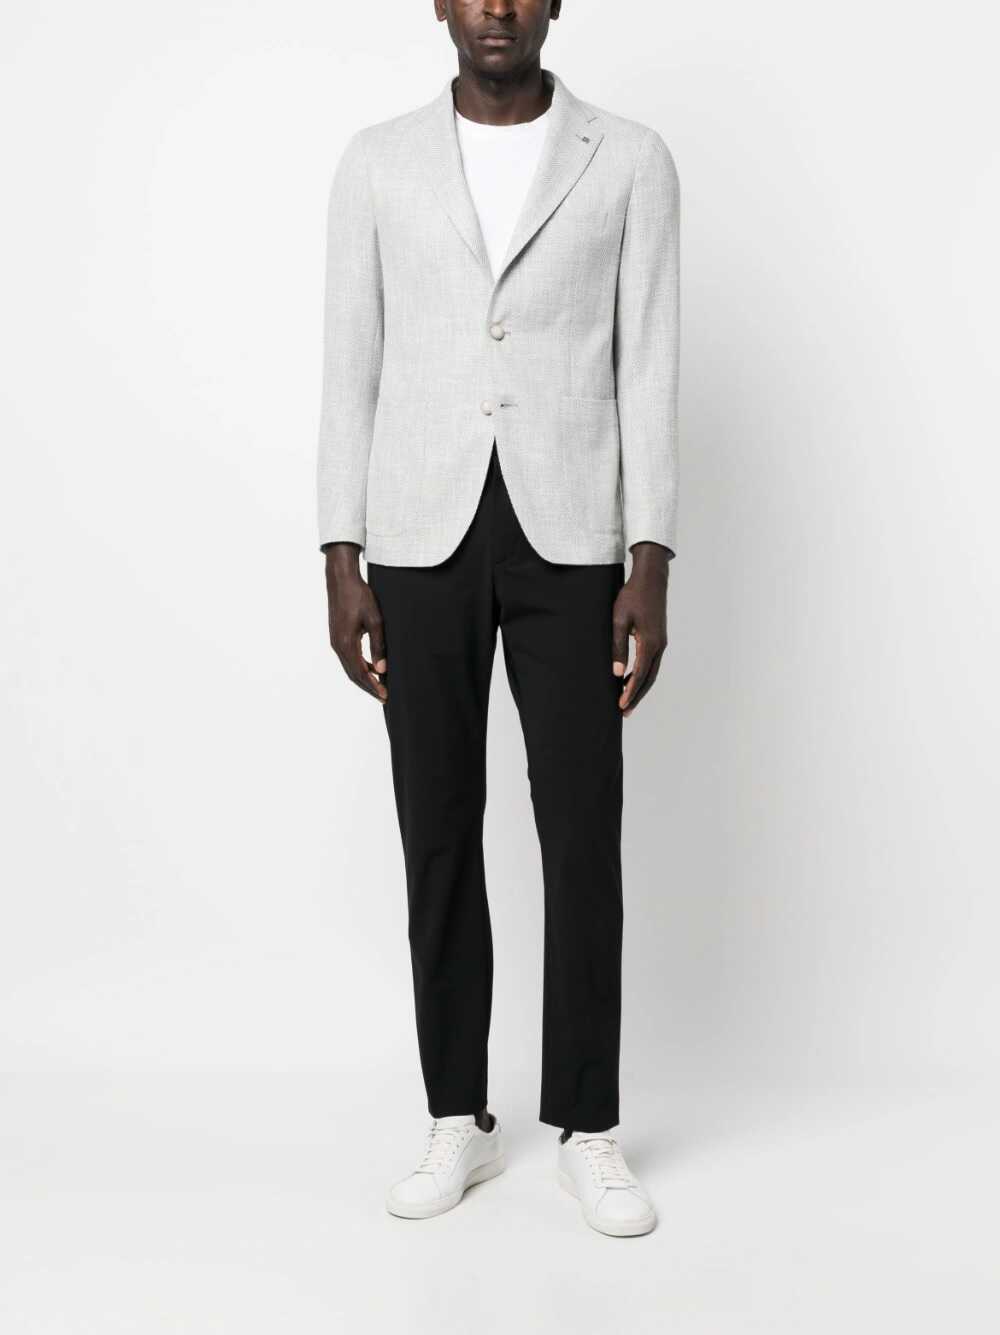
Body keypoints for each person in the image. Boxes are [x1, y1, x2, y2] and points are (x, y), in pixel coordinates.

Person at [317, 0, 678, 1238]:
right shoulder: (377, 162)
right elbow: (350, 362)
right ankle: (455, 1114)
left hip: (570, 530)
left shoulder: (627, 159)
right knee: (436, 826)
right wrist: (339, 553)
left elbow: (647, 363)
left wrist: (650, 559)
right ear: (439, 2)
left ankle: (587, 1124)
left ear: (555, 2)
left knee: (581, 830)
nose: (497, 7)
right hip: (418, 529)